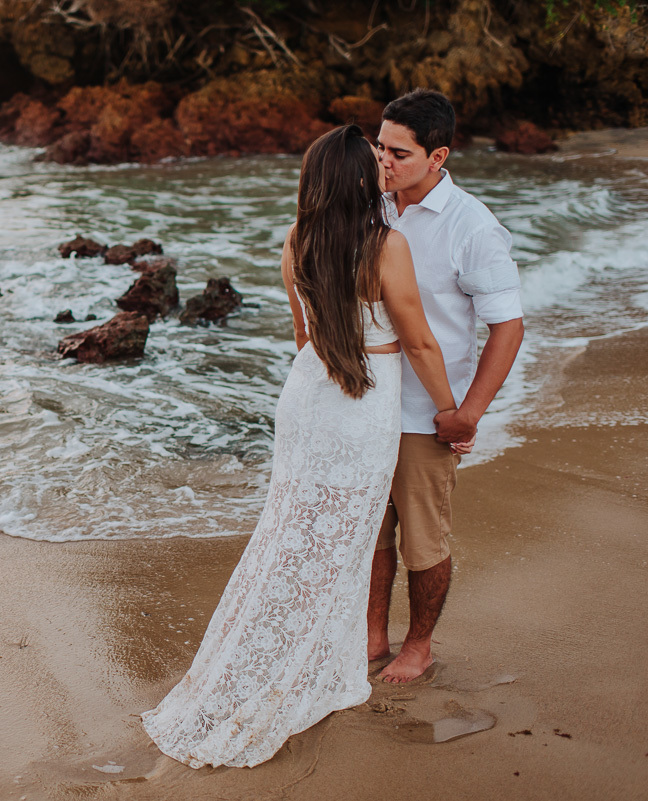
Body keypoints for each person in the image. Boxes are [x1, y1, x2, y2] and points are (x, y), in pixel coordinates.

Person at [141, 124, 458, 768]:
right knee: (341, 542)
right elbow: (419, 343)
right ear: (355, 178)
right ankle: (304, 666)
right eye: (374, 161)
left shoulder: (297, 240)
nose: (382, 168)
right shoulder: (386, 244)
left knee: (292, 536)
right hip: (365, 403)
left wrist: (323, 394)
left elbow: (303, 333)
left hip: (309, 397)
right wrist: (452, 413)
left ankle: (282, 653)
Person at [369, 89, 524, 683]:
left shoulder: (474, 227)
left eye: (399, 153)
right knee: (372, 531)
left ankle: (419, 646)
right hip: (367, 404)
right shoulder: (373, 206)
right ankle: (372, 633)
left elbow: (507, 327)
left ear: (438, 156)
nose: (384, 161)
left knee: (424, 541)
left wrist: (468, 413)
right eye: (380, 147)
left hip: (427, 411)